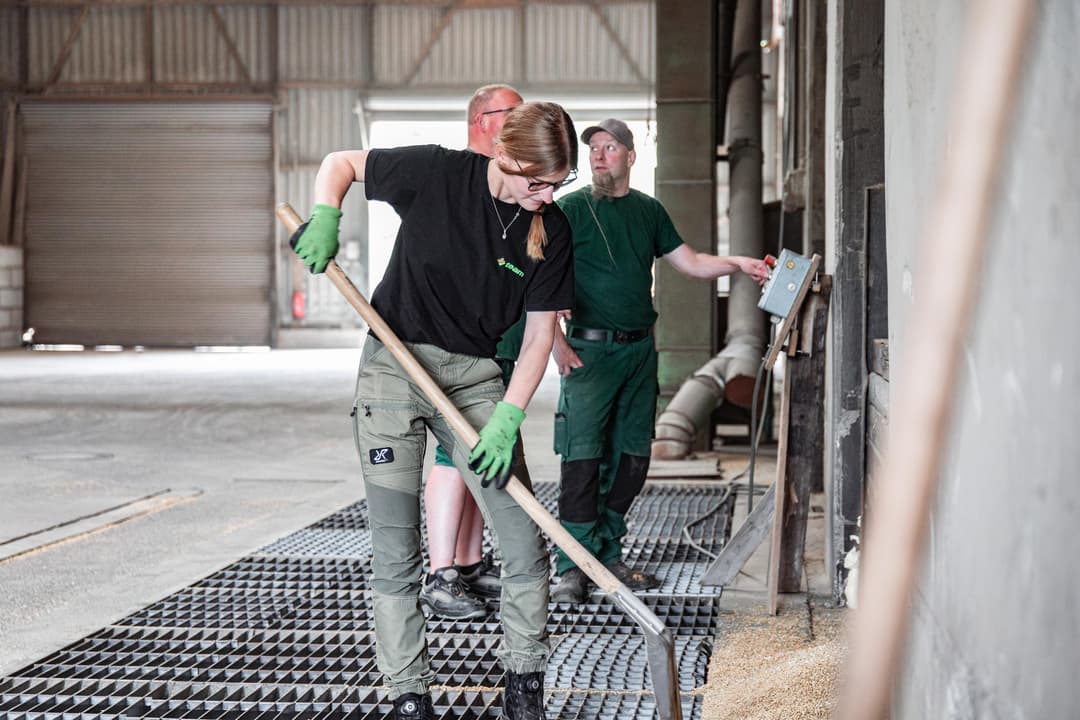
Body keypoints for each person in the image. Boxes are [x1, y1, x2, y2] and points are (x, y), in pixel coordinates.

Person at [290, 102, 578, 720]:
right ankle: (408, 695)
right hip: (393, 371)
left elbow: (535, 341)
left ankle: (525, 683)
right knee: (397, 551)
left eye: (559, 183)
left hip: (476, 378)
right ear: (505, 153)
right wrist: (325, 213)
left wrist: (507, 416)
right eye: (538, 181)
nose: (548, 194)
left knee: (524, 541)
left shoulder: (551, 230)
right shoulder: (438, 173)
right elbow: (340, 163)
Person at [550, 118, 769, 604]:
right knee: (583, 458)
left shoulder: (648, 211)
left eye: (610, 148)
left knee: (631, 459)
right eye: (594, 149)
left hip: (638, 351)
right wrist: (555, 343)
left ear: (630, 155)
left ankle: (607, 554)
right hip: (587, 351)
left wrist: (739, 264)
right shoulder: (568, 210)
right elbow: (539, 279)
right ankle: (573, 564)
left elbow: (689, 262)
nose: (599, 156)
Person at [421, 84, 525, 620]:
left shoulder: (516, 186)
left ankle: (466, 564)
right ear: (484, 120)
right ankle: (440, 572)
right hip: (453, 346)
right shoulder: (452, 179)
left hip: (497, 345)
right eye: (516, 112)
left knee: (481, 454)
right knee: (451, 451)